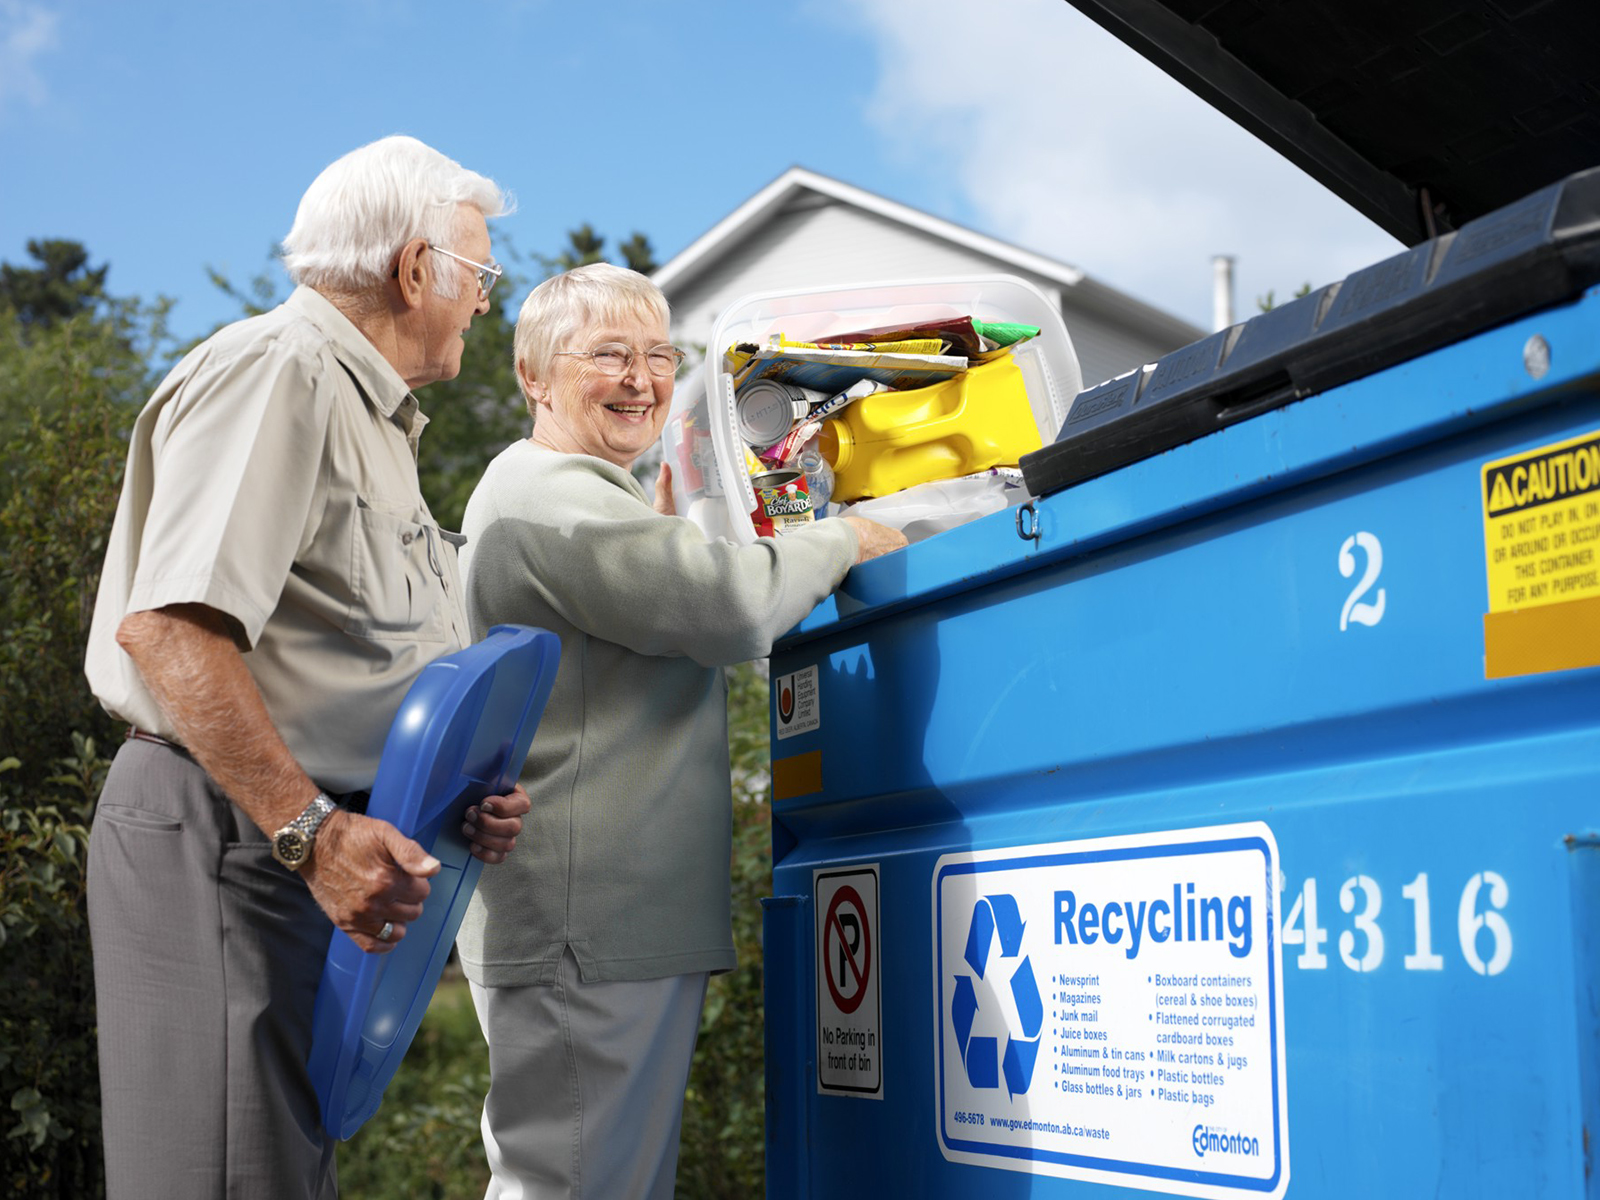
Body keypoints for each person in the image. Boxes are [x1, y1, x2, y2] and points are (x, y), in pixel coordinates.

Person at [83, 135, 532, 1200]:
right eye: (479, 275)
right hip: (231, 836)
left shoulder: (372, 416)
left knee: (274, 1170)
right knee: (224, 1177)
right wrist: (310, 831)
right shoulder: (281, 374)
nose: (483, 304)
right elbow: (173, 632)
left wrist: (449, 800)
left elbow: (354, 658)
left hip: (278, 836)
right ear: (414, 269)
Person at [454, 262, 906, 1198]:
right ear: (534, 375)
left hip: (601, 918)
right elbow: (722, 605)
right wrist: (845, 539)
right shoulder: (548, 490)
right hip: (592, 920)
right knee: (578, 1183)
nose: (643, 378)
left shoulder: (576, 491)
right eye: (609, 355)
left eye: (660, 356)